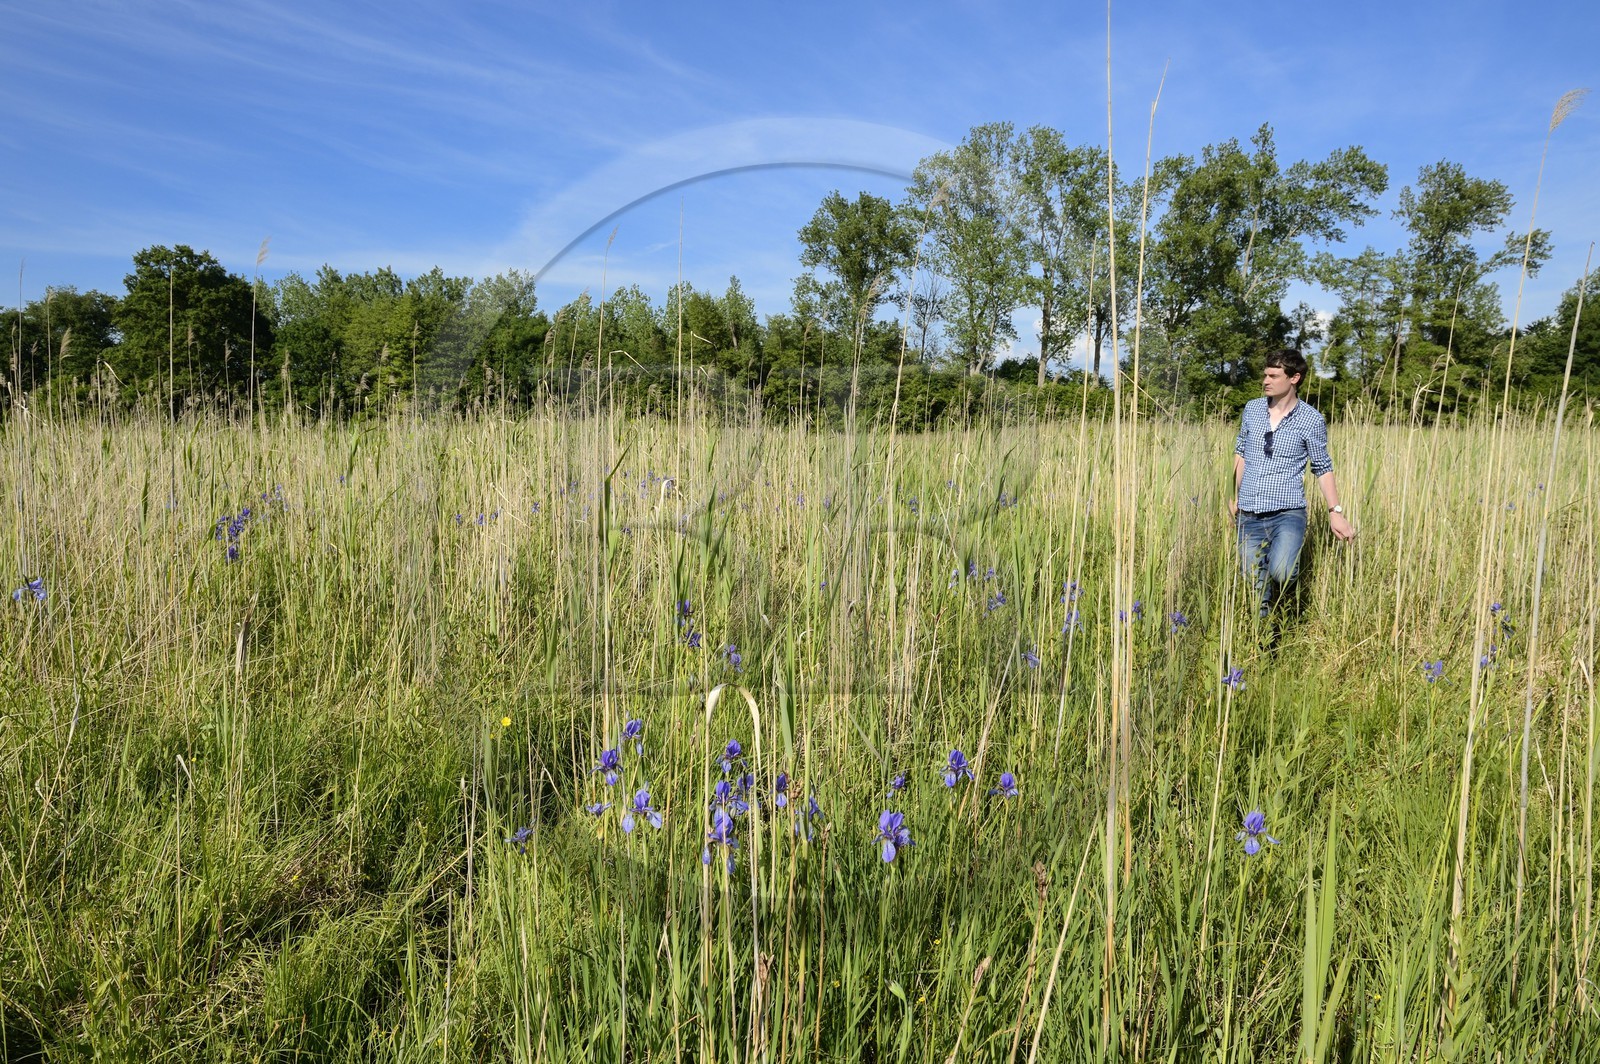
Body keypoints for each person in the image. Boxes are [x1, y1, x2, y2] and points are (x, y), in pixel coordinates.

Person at [1229, 349, 1355, 620]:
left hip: (1287, 513)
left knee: (1282, 571)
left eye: (1273, 375)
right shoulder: (1251, 409)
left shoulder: (1311, 419)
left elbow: (1322, 467)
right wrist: (1233, 496)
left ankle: (1285, 609)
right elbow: (1241, 452)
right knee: (1253, 585)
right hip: (1248, 514)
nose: (1266, 380)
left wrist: (1336, 512)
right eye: (1265, 374)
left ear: (1294, 378)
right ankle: (1265, 641)